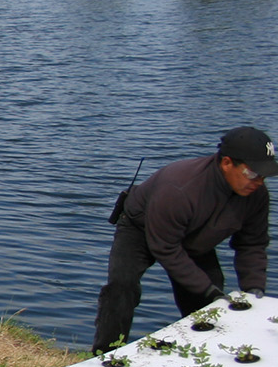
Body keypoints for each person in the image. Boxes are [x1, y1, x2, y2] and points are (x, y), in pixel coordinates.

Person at [91, 125, 276, 352]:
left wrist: (253, 291)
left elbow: (252, 245)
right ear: (227, 163)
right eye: (253, 173)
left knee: (210, 303)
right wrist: (205, 288)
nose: (259, 182)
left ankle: (205, 355)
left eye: (265, 175)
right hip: (140, 228)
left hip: (196, 237)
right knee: (121, 287)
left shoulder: (256, 195)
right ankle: (105, 355)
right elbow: (166, 249)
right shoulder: (179, 188)